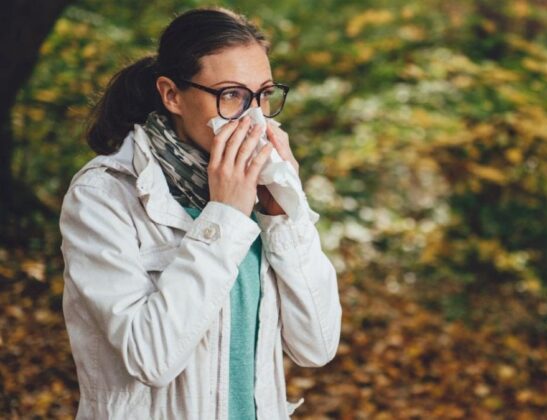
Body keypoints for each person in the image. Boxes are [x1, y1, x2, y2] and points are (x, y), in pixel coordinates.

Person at [58, 6, 342, 420]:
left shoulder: (263, 193)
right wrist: (224, 214)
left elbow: (316, 345)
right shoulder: (104, 194)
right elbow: (150, 358)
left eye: (263, 95)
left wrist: (283, 216)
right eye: (232, 95)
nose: (254, 117)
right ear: (172, 94)